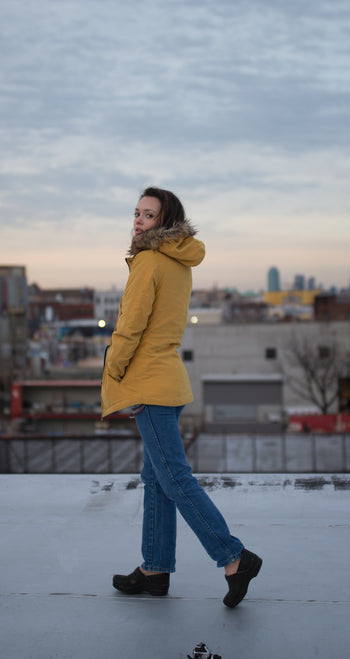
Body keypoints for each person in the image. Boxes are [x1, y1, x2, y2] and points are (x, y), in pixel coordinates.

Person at [101, 186, 262, 608]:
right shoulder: (178, 261)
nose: (138, 220)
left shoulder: (148, 262)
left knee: (172, 477)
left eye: (148, 215)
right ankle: (154, 570)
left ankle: (233, 557)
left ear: (165, 220)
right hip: (170, 380)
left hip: (149, 383)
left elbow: (131, 326)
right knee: (156, 479)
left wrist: (113, 369)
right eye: (136, 213)